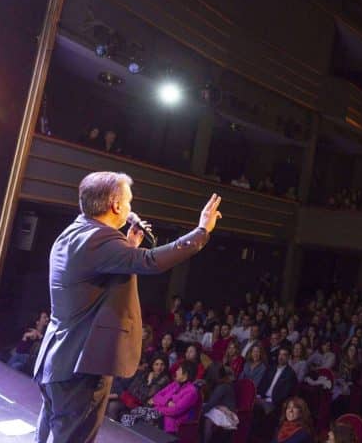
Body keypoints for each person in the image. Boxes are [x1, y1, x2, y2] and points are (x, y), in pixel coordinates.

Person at [33, 171, 221, 442]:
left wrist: (129, 246)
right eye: (129, 202)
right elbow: (151, 261)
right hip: (79, 366)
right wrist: (201, 232)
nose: (132, 209)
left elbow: (96, 283)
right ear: (116, 205)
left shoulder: (75, 232)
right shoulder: (100, 240)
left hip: (57, 360)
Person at [107, 354, 170, 420]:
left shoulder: (164, 381)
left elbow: (147, 395)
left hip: (142, 407)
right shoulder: (143, 373)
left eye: (162, 364)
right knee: (113, 406)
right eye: (156, 364)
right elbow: (132, 388)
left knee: (115, 406)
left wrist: (149, 382)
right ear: (152, 365)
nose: (159, 367)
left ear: (165, 366)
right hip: (129, 400)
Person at [147, 360, 201, 434]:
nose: (176, 371)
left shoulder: (192, 392)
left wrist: (157, 408)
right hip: (160, 417)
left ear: (185, 374)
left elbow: (174, 411)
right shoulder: (175, 384)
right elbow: (156, 396)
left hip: (173, 426)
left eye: (179, 369)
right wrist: (167, 402)